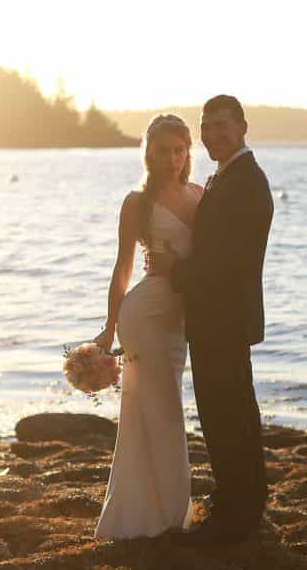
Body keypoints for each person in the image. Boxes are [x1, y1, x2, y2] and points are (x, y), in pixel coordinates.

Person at [149, 95, 273, 546]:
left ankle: (242, 510)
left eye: (223, 126)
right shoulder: (227, 177)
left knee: (230, 411)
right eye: (208, 126)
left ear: (242, 126)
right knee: (225, 411)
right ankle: (240, 496)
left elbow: (229, 263)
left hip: (225, 316)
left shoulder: (247, 183)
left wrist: (173, 271)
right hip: (214, 315)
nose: (214, 134)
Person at [92, 114, 202, 539]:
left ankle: (151, 513)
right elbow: (123, 268)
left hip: (179, 320)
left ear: (187, 152)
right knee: (162, 413)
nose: (172, 158)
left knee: (158, 409)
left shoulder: (200, 193)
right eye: (162, 150)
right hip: (144, 315)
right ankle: (166, 517)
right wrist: (108, 326)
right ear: (149, 152)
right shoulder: (137, 202)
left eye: (179, 150)